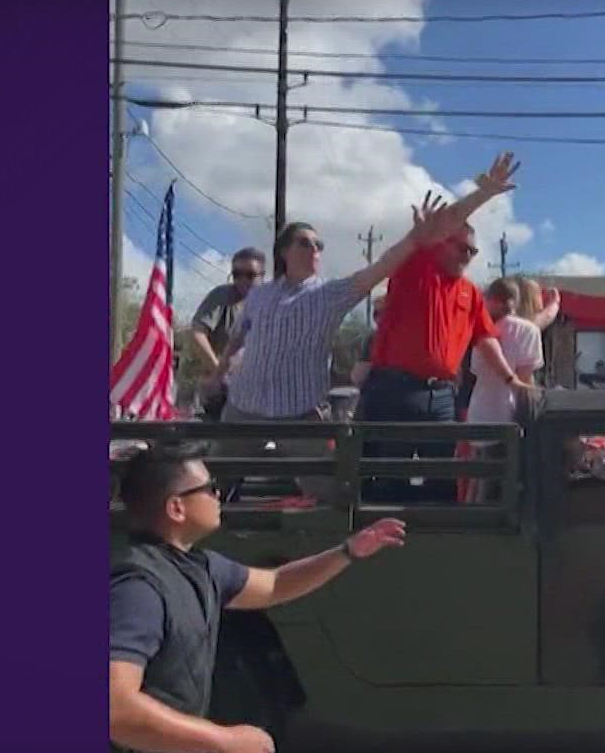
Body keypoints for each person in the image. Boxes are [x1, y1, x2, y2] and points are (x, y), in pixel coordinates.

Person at [110, 442, 408, 753]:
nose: (219, 496)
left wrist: (348, 552)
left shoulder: (201, 568)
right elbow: (114, 709)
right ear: (176, 507)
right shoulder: (139, 590)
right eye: (209, 488)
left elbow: (272, 586)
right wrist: (223, 739)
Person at [220, 181, 512, 502]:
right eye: (305, 243)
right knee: (214, 484)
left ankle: (398, 545)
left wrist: (481, 196)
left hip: (300, 411)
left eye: (319, 244)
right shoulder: (260, 295)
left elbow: (386, 264)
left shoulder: (329, 293)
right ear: (284, 251)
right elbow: (238, 335)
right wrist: (215, 373)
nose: (315, 249)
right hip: (246, 406)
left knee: (335, 496)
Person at [358, 153, 530, 502]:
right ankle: (379, 547)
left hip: (441, 396)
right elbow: (448, 220)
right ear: (441, 244)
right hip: (395, 389)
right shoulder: (415, 268)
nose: (469, 255)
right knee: (388, 480)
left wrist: (514, 380)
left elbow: (486, 340)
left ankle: (439, 545)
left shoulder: (470, 293)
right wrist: (484, 194)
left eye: (474, 251)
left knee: (441, 482)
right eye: (463, 247)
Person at [463, 278, 558, 503]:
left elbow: (475, 370)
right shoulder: (528, 331)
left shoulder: (482, 329)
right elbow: (525, 378)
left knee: (479, 476)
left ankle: (470, 521)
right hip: (510, 412)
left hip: (481, 410)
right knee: (504, 478)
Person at [187, 249, 267, 422]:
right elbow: (197, 333)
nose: (243, 280)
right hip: (222, 391)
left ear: (262, 276)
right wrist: (219, 371)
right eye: (237, 274)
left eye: (250, 274)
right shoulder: (223, 296)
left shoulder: (268, 305)